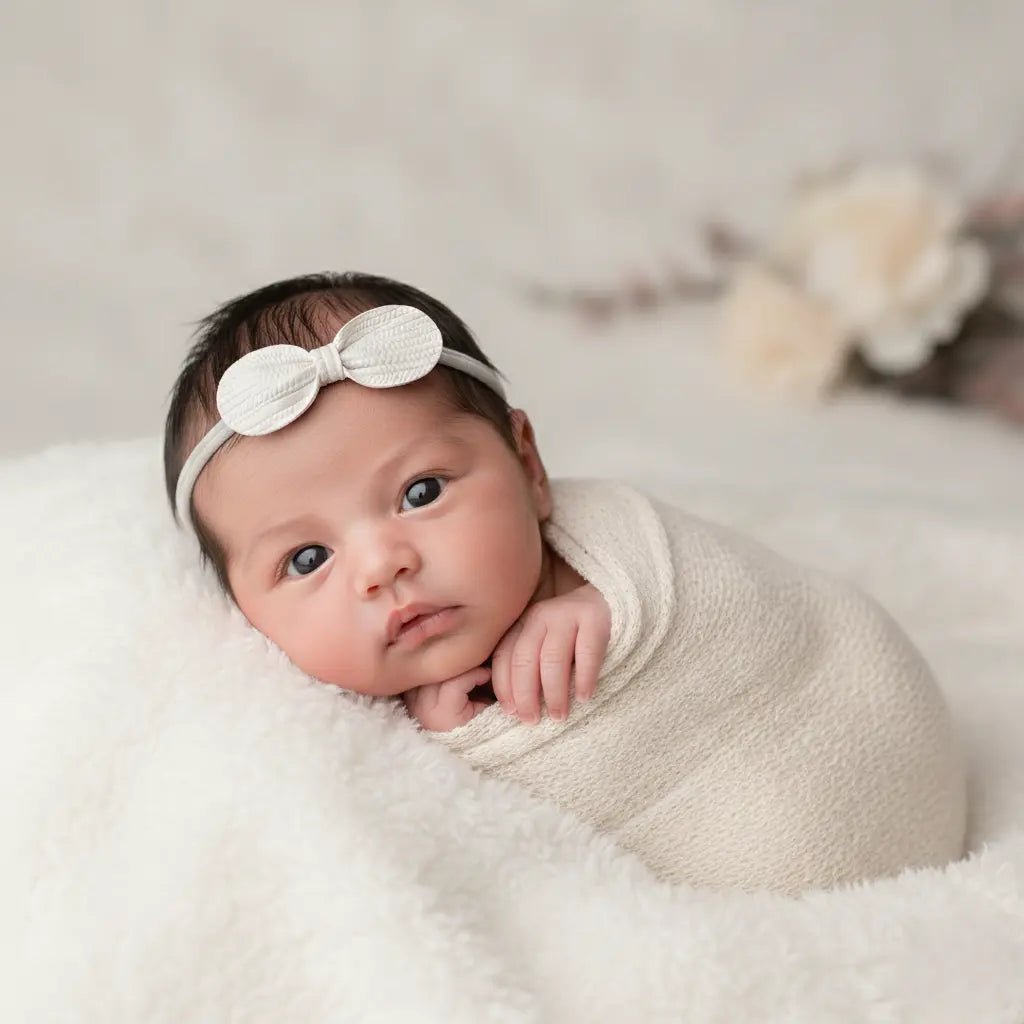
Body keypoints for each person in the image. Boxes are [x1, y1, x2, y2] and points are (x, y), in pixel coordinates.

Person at [164, 270, 967, 894]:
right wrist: (446, 750)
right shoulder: (324, 748)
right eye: (308, 559)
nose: (383, 565)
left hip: (859, 754)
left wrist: (604, 600)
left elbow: (769, 621)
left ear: (530, 466)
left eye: (421, 492)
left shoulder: (622, 555)